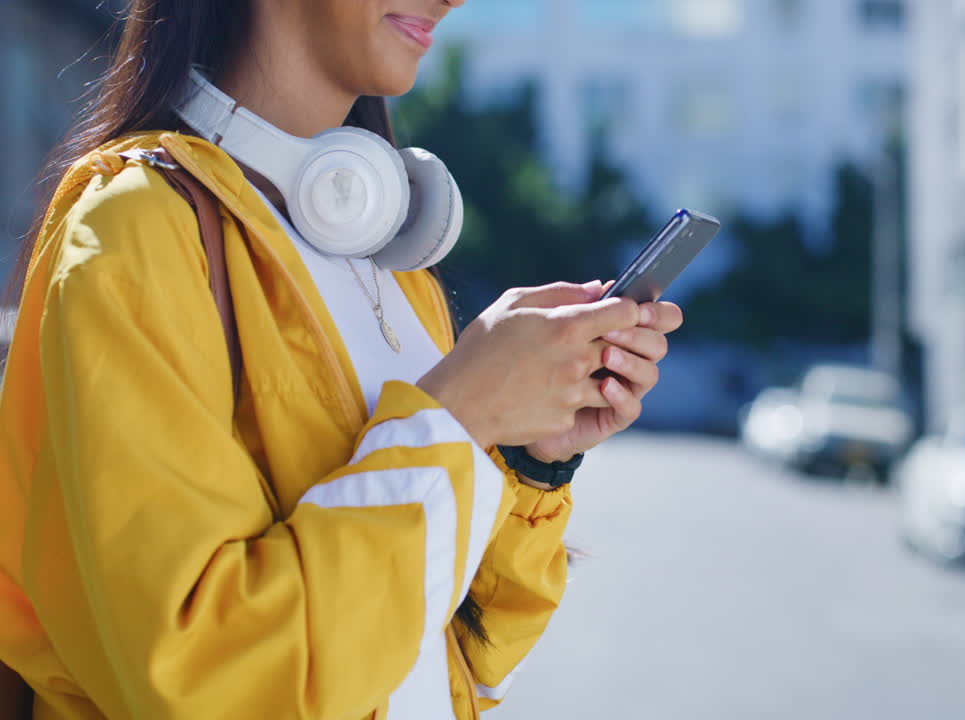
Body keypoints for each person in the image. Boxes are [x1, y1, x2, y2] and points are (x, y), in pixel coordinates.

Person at [0, 1, 682, 718]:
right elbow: (205, 681)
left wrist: (530, 459)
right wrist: (460, 414)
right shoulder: (134, 230)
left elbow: (458, 665)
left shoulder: (394, 265)